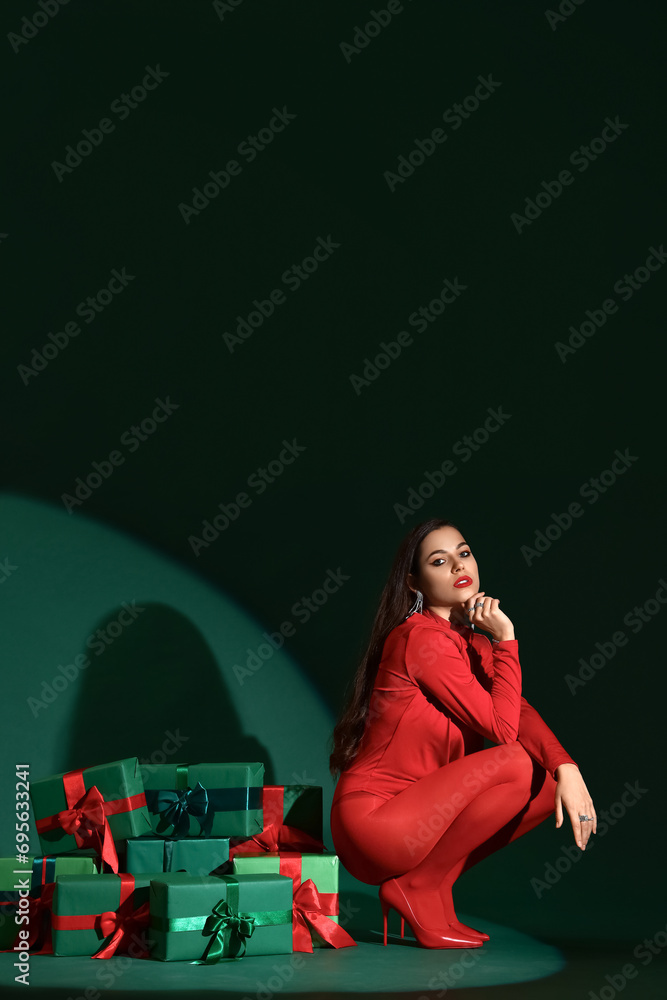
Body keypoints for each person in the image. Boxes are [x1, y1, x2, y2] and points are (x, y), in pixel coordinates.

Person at [328, 518, 596, 949]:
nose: (457, 565)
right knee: (515, 761)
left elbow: (518, 711)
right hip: (376, 821)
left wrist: (567, 766)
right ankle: (414, 888)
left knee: (546, 786)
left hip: (422, 814)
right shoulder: (420, 639)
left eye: (464, 553)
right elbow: (503, 729)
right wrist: (507, 638)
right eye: (439, 560)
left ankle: (431, 886)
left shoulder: (473, 644)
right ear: (415, 582)